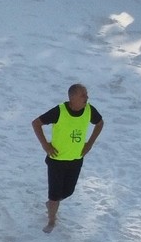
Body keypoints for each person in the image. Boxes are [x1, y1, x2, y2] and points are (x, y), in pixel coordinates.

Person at [31, 84, 103, 233]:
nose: (87, 97)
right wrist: (45, 145)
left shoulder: (89, 110)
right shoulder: (59, 111)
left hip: (76, 159)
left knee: (68, 191)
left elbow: (100, 123)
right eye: (83, 95)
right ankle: (51, 220)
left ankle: (52, 204)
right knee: (54, 194)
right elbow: (36, 123)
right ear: (73, 98)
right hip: (56, 160)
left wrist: (89, 144)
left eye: (86, 94)